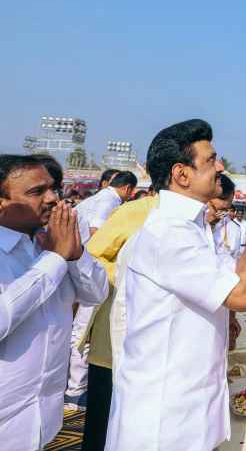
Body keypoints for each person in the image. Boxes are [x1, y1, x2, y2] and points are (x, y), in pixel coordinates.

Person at [104, 119, 246, 451]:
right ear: (182, 174)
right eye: (211, 160)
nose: (221, 166)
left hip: (185, 412)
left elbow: (234, 278)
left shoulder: (192, 228)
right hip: (163, 422)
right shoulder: (169, 233)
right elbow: (242, 295)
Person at [0, 154, 109, 450]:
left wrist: (74, 254)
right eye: (36, 192)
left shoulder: (51, 240)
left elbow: (96, 293)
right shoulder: (45, 253)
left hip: (44, 418)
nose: (52, 198)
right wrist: (55, 259)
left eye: (53, 188)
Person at [79, 191, 160, 451]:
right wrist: (135, 278)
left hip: (155, 344)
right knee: (104, 420)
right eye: (209, 162)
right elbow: (92, 256)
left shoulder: (194, 217)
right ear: (180, 172)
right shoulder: (136, 211)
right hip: (114, 340)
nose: (217, 170)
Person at [66, 169, 138, 408]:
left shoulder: (100, 198)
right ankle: (76, 390)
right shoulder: (110, 201)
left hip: (82, 267)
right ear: (128, 189)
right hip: (87, 270)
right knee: (84, 331)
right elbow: (98, 233)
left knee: (80, 329)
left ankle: (75, 387)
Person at [208, 174, 243, 260]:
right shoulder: (186, 224)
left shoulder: (233, 229)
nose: (222, 215)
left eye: (226, 211)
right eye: (220, 209)